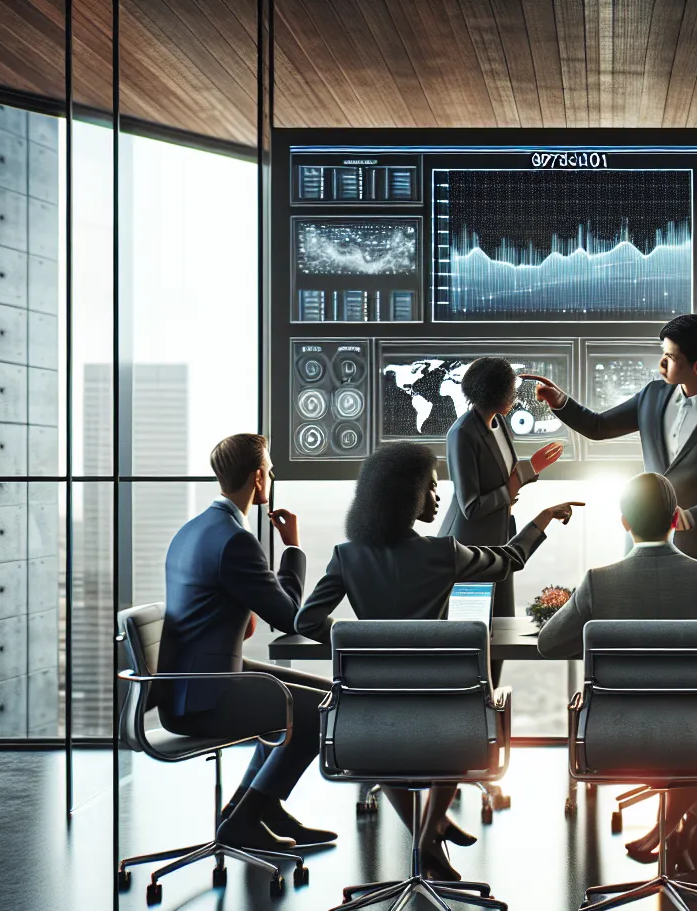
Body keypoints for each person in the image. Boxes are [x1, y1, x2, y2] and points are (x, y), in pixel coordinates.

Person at [294, 442, 583, 880]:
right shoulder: (443, 552)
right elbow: (509, 560)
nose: (436, 496)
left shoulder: (347, 556)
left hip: (370, 720)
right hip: (444, 719)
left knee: (380, 750)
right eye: (430, 488)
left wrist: (358, 642)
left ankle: (426, 836)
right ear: (407, 496)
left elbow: (307, 620)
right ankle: (429, 836)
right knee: (468, 718)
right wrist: (542, 519)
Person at [537, 473, 697, 871]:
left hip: (614, 739)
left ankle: (672, 831)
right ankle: (678, 829)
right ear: (676, 519)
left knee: (685, 735)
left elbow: (547, 644)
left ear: (624, 523)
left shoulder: (598, 582)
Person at [155, 433, 336, 852]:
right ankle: (247, 817)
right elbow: (288, 615)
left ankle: (252, 808)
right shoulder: (235, 539)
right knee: (321, 712)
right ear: (257, 478)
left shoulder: (195, 529)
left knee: (328, 695)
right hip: (204, 696)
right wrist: (293, 547)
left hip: (188, 681)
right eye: (270, 470)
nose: (271, 476)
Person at [523, 313, 697, 567]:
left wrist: (692, 517)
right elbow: (599, 427)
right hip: (640, 540)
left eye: (671, 357)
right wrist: (560, 402)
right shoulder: (652, 395)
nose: (661, 364)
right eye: (663, 353)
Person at [440, 356, 565, 681]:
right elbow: (470, 506)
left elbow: (506, 476)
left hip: (499, 543)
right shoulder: (462, 434)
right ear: (494, 392)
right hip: (469, 550)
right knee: (471, 644)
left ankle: (490, 705)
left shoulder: (499, 424)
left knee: (499, 636)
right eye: (510, 390)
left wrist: (528, 470)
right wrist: (517, 481)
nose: (515, 396)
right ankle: (474, 707)